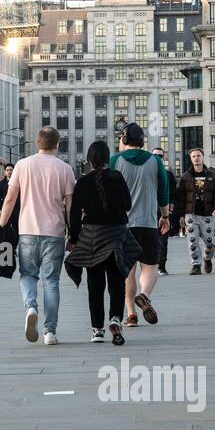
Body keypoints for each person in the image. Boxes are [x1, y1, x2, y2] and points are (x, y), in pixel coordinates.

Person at [0, 125, 75, 345]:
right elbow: (70, 205)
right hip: (55, 233)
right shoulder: (65, 169)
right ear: (57, 144)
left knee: (28, 275)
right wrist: (73, 232)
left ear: (37, 144)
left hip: (27, 232)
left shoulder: (22, 165)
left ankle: (30, 307)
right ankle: (49, 332)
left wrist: (3, 224)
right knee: (51, 282)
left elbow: (11, 198)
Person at [65, 140, 142, 345]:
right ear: (108, 159)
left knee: (95, 285)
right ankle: (115, 318)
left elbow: (73, 214)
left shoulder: (82, 182)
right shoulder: (116, 177)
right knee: (116, 283)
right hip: (117, 236)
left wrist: (73, 237)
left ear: (89, 160)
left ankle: (97, 330)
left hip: (93, 238)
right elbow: (127, 204)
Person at [109, 123, 170, 328]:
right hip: (148, 223)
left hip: (123, 226)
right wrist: (165, 216)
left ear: (124, 140)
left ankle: (131, 314)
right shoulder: (155, 161)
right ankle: (144, 295)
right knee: (150, 267)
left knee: (128, 271)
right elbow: (163, 192)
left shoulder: (115, 161)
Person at [175, 148, 215, 275]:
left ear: (203, 157)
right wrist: (180, 215)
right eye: (193, 156)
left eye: (198, 156)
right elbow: (180, 197)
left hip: (208, 214)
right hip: (191, 214)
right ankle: (196, 265)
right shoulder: (186, 177)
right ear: (191, 159)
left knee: (209, 242)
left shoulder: (213, 176)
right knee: (193, 241)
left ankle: (207, 259)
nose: (196, 158)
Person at [151, 147, 177, 275]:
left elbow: (173, 192)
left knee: (163, 240)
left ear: (163, 158)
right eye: (155, 155)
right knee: (151, 241)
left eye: (160, 156)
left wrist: (171, 205)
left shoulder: (168, 174)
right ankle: (152, 266)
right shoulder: (147, 172)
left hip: (163, 212)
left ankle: (161, 266)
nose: (157, 158)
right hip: (148, 212)